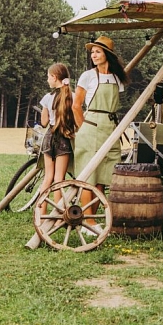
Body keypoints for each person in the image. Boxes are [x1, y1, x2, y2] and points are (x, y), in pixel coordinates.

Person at [73, 36, 127, 193]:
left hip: (110, 127)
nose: (93, 55)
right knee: (89, 177)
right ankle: (87, 217)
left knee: (103, 177)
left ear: (107, 55)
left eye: (97, 52)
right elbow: (76, 106)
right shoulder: (88, 75)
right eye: (92, 52)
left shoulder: (118, 77)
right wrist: (83, 129)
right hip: (91, 127)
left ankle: (93, 216)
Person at [36, 64, 77, 216]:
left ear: (54, 77)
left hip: (49, 138)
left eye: (48, 77)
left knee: (48, 178)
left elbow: (44, 122)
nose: (47, 80)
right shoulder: (71, 96)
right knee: (59, 179)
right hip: (64, 138)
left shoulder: (47, 97)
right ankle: (57, 213)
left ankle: (40, 214)